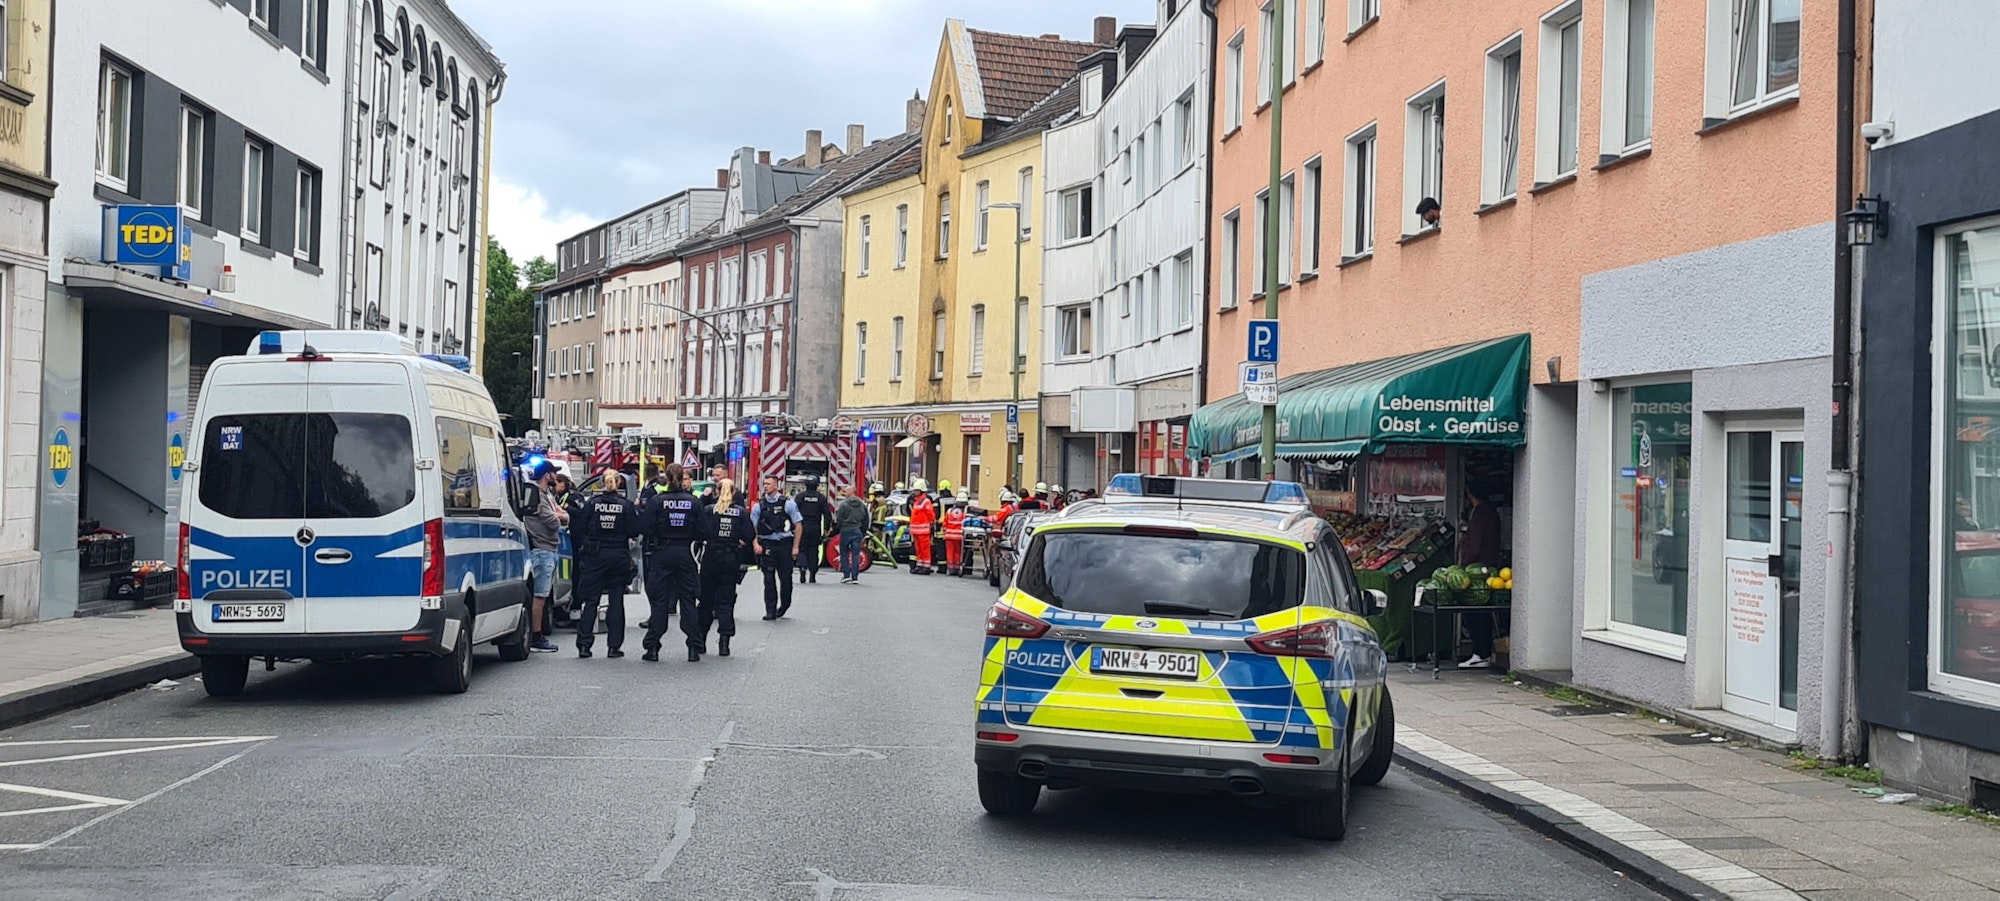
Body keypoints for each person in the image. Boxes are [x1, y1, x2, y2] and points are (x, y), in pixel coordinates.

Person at [572, 471, 640, 659]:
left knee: (591, 600)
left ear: (602, 483)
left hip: (595, 555)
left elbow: (579, 528)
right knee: (616, 601)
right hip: (618, 555)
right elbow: (634, 531)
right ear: (618, 483)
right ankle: (614, 647)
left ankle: (584, 645)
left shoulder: (592, 504)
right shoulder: (625, 505)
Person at [638, 464, 701, 663]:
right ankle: (693, 647)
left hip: (662, 553)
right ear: (683, 478)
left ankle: (653, 647)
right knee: (688, 600)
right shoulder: (693, 502)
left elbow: (644, 527)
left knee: (659, 602)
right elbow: (704, 530)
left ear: (666, 478)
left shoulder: (657, 501)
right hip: (684, 553)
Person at [691, 478, 754, 661]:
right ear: (734, 492)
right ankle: (724, 643)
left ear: (717, 491)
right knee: (726, 602)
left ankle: (700, 640)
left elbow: (699, 531)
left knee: (706, 601)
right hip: (730, 559)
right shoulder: (740, 513)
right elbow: (749, 535)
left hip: (711, 558)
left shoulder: (710, 511)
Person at [1458, 484, 1505, 669]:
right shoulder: (1492, 513)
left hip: (1477, 571)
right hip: (1490, 568)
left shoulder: (1480, 514)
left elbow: (1475, 546)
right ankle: (1482, 652)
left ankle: (1481, 653)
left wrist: (1463, 566)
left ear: (1470, 494)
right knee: (1483, 610)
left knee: (1474, 610)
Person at [523, 461, 567, 653]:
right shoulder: (537, 497)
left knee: (543, 594)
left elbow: (563, 515)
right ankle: (536, 636)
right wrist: (561, 516)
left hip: (548, 549)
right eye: (553, 473)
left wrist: (562, 515)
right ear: (546, 475)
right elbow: (554, 523)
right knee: (540, 596)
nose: (555, 476)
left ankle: (536, 634)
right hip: (541, 549)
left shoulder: (547, 495)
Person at [754, 476, 802, 620]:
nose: (766, 486)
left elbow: (798, 526)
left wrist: (795, 547)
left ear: (776, 486)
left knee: (785, 578)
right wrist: (756, 544)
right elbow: (753, 527)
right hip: (767, 544)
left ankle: (784, 605)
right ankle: (770, 610)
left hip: (784, 544)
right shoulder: (759, 506)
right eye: (764, 483)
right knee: (768, 578)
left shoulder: (788, 504)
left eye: (768, 484)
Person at [792, 476, 835, 584]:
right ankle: (812, 574)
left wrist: (793, 527)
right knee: (813, 550)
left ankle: (802, 569)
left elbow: (793, 512)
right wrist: (826, 529)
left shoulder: (800, 497)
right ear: (817, 485)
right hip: (815, 528)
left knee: (802, 549)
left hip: (802, 526)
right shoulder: (821, 498)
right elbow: (827, 514)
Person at [835, 486, 872, 584]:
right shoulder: (861, 504)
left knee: (844, 553)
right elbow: (866, 519)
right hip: (857, 531)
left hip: (846, 530)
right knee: (856, 554)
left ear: (851, 492)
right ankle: (855, 577)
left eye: (846, 491)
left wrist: (839, 529)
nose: (845, 492)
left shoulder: (844, 505)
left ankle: (846, 575)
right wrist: (862, 531)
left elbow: (839, 518)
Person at [907, 479, 938, 575]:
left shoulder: (926, 501)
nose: (914, 492)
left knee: (925, 549)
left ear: (921, 490)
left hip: (923, 530)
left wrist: (932, 524)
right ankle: (920, 565)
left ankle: (926, 566)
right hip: (916, 531)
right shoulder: (917, 502)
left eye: (916, 490)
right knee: (918, 549)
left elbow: (931, 515)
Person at [941, 491, 968, 577]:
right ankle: (957, 567)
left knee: (950, 552)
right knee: (958, 552)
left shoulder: (949, 511)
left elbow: (944, 523)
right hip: (960, 536)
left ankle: (951, 568)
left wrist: (945, 532)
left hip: (949, 536)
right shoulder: (966, 513)